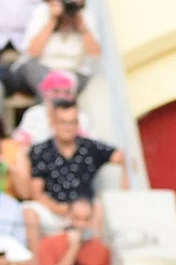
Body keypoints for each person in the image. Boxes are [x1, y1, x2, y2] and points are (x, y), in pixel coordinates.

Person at [26, 102, 123, 238]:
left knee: (99, 207)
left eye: (72, 122)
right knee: (29, 210)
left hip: (85, 213)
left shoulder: (90, 147)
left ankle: (94, 255)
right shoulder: (40, 151)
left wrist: (127, 184)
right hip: (55, 211)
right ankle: (35, 258)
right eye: (63, 122)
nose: (68, 128)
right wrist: (57, 208)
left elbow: (121, 157)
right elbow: (36, 192)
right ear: (53, 123)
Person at [12, 0, 98, 96]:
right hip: (41, 68)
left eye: (76, 5)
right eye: (69, 4)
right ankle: (51, 108)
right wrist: (53, 21)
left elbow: (95, 54)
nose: (71, 9)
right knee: (49, 83)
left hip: (71, 72)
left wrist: (82, 28)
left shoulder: (85, 18)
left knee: (62, 84)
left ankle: (55, 107)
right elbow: (33, 52)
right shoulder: (43, 12)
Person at [36, 196, 110, 265]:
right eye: (76, 218)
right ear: (68, 217)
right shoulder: (48, 244)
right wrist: (73, 249)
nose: (81, 224)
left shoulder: (101, 250)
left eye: (86, 219)